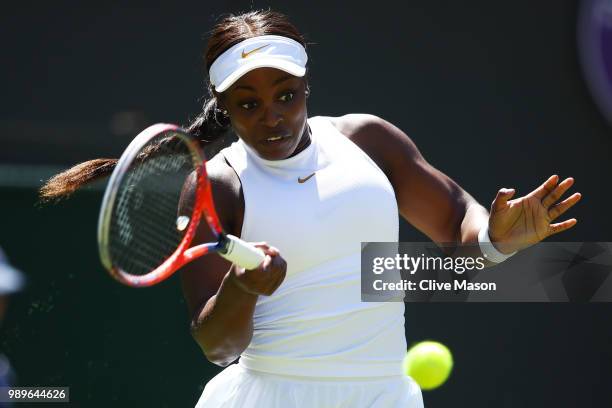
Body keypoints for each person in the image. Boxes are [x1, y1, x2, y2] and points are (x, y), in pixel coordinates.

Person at [39, 9, 582, 407]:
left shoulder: (369, 141)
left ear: (306, 86)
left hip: (383, 397)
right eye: (248, 104)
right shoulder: (220, 187)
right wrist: (246, 284)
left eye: (285, 95)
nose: (271, 116)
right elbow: (217, 345)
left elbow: (458, 232)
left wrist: (497, 241)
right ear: (223, 107)